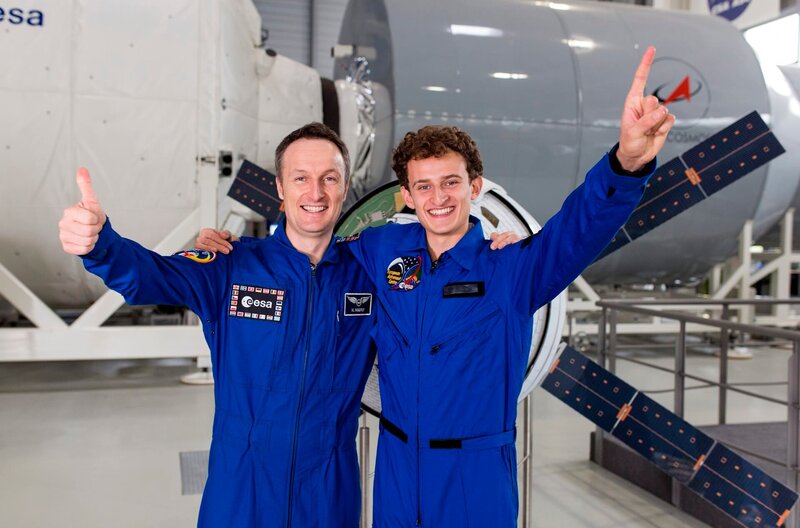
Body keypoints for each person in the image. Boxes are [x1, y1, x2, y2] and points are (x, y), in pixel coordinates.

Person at [197, 47, 674, 527]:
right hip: (398, 470)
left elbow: (576, 231)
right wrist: (240, 253)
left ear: (476, 186)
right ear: (405, 195)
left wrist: (624, 165)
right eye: (423, 186)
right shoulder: (380, 250)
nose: (438, 197)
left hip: (475, 476)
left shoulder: (510, 270)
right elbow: (312, 248)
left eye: (450, 183)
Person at [58, 123, 379, 527]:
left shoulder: (368, 275)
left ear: (344, 186)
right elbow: (148, 276)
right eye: (300, 178)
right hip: (241, 488)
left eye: (328, 178)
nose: (314, 193)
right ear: (280, 187)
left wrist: (485, 247)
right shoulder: (229, 264)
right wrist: (100, 243)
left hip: (329, 494)